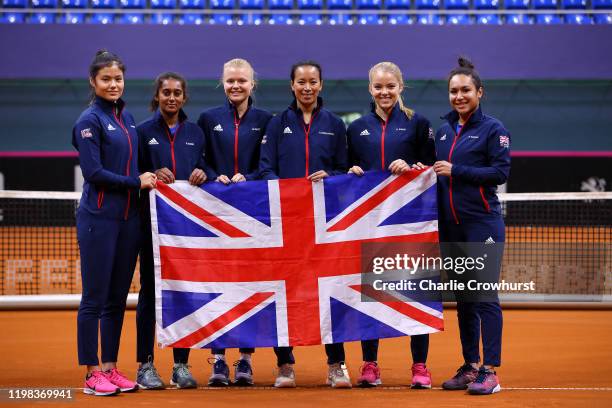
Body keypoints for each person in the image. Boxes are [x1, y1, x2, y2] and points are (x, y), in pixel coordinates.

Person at [259, 60, 349, 389]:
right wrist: (288, 193)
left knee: (329, 293)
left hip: (325, 227)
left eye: (312, 81)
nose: (307, 87)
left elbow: (343, 169)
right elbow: (264, 169)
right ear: (292, 85)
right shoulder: (276, 124)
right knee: (284, 294)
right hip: (285, 225)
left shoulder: (335, 125)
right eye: (301, 81)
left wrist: (332, 177)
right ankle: (284, 364)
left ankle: (336, 364)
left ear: (321, 85)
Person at [346, 61, 436, 389]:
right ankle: (370, 364)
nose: (384, 92)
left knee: (416, 291)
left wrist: (413, 167)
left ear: (401, 87)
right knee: (370, 293)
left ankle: (420, 365)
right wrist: (352, 172)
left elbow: (431, 168)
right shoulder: (357, 128)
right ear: (370, 89)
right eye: (378, 87)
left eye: (390, 86)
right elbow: (346, 168)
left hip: (409, 224)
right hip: (369, 226)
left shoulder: (418, 124)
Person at [73, 50, 157, 397]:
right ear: (94, 82)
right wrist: (137, 182)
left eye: (118, 79)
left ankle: (110, 366)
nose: (113, 84)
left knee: (117, 300)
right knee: (94, 298)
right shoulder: (88, 121)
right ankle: (92, 372)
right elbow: (93, 173)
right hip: (98, 220)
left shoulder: (128, 118)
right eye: (106, 79)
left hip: (129, 222)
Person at [433, 57, 510, 395]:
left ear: (480, 92)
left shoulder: (494, 129)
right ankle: (470, 365)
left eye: (465, 90)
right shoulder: (443, 129)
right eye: (453, 91)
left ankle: (490, 370)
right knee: (464, 298)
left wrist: (456, 170)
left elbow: (499, 173)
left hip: (483, 224)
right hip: (451, 227)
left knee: (484, 295)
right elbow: (435, 170)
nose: (459, 96)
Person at [197, 58, 272, 386]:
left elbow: (268, 165)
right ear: (222, 83)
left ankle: (244, 360)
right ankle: (218, 360)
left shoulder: (266, 120)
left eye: (241, 80)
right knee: (218, 286)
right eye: (230, 81)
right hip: (216, 216)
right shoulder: (207, 119)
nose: (236, 86)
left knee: (250, 287)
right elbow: (199, 162)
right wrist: (215, 177)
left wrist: (249, 178)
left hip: (253, 216)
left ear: (252, 83)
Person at [135, 72, 207, 390]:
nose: (172, 97)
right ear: (158, 96)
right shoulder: (141, 133)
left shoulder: (196, 133)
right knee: (150, 297)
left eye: (177, 92)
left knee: (183, 295)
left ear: (184, 97)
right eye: (166, 92)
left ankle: (180, 366)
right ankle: (145, 365)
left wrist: (204, 172)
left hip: (186, 234)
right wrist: (148, 172)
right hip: (151, 230)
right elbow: (133, 174)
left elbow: (209, 168)